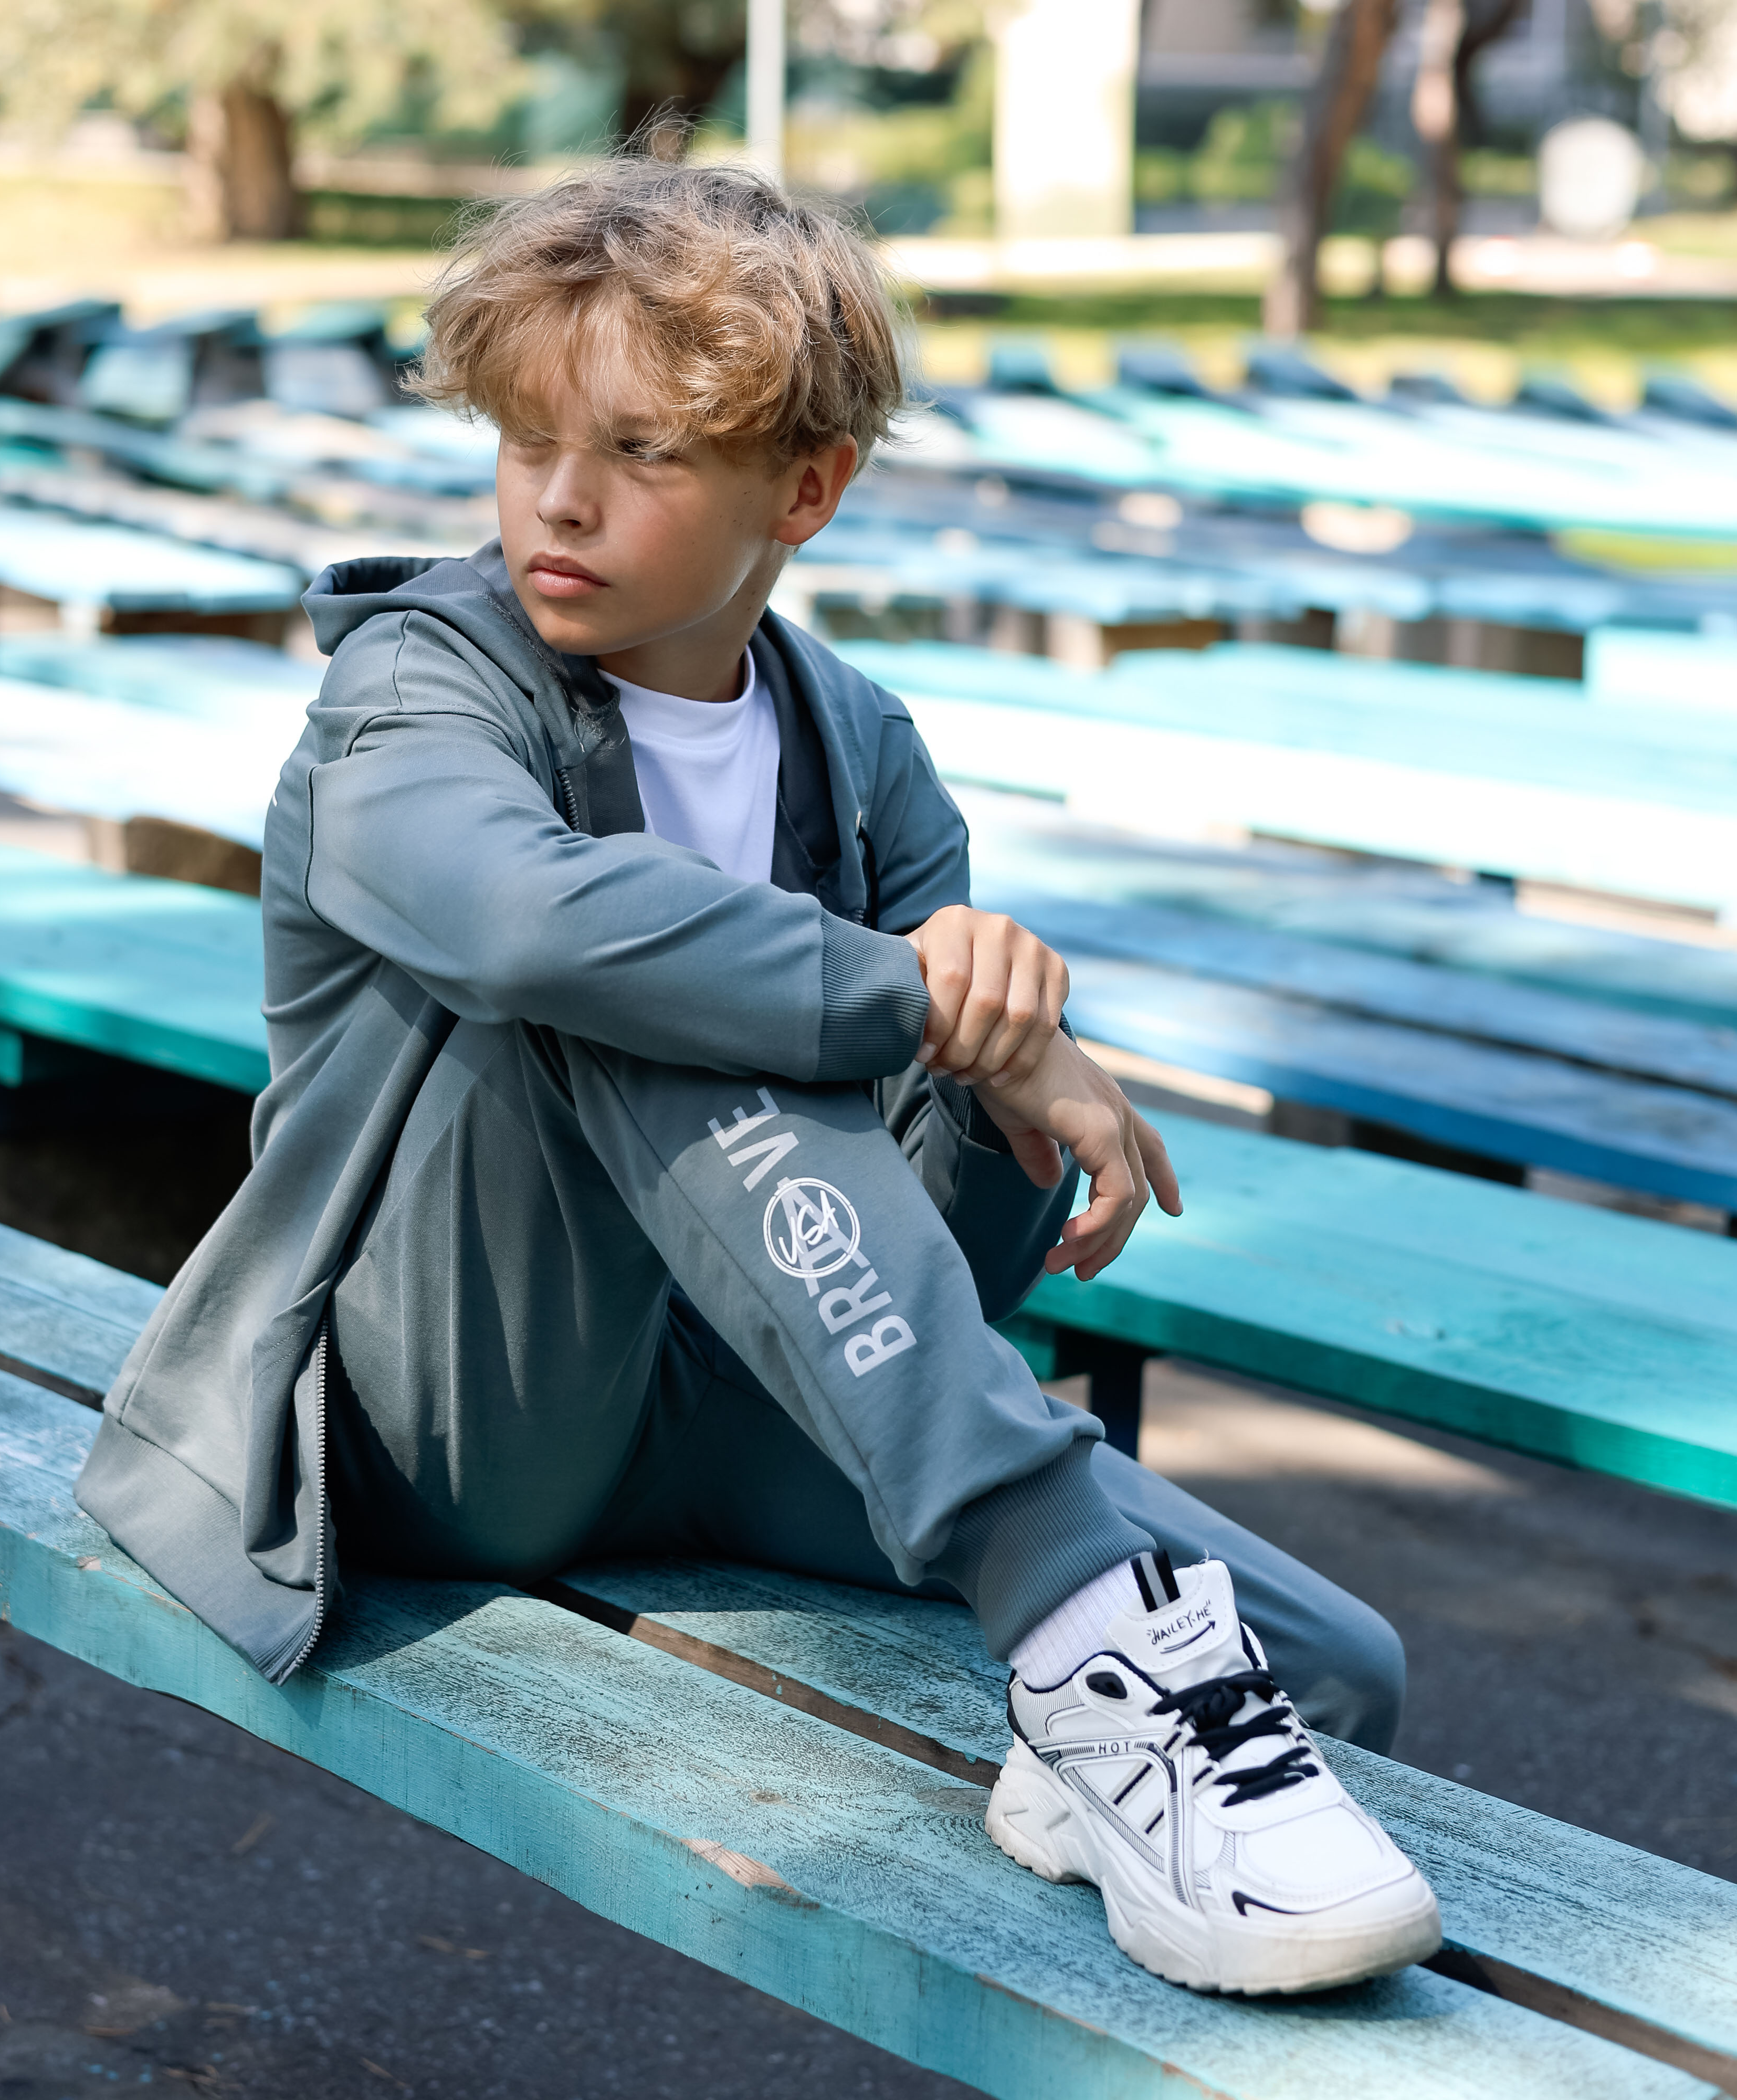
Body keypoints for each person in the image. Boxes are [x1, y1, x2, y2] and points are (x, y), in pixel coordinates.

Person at [76, 155, 1439, 1996]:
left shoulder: (861, 753)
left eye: (639, 453)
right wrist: (912, 999)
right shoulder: (411, 693)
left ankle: (1097, 1720)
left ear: (805, 489)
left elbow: (929, 1270)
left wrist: (995, 1085)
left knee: (1332, 1660)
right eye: (526, 441)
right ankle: (1080, 1627)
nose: (558, 500)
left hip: (733, 1403)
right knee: (628, 968)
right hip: (459, 1409)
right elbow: (525, 925)